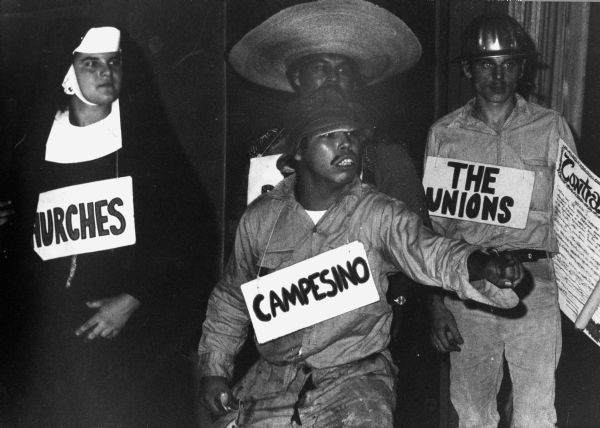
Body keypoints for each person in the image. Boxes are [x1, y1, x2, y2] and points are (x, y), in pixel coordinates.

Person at [195, 86, 525, 427]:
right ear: (297, 153)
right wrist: (213, 370)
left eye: (352, 134)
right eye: (329, 134)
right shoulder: (261, 220)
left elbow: (430, 252)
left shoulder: (378, 214)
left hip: (356, 378)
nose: (346, 143)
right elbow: (232, 300)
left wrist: (482, 264)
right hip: (276, 379)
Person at [3, 26, 216, 427]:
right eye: (91, 63)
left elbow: (191, 231)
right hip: (59, 344)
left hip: (135, 336)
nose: (106, 72)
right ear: (68, 75)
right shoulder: (33, 146)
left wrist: (133, 298)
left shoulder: (149, 142)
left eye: (114, 63)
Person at [229, 0, 430, 348]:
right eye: (320, 67)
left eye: (343, 70)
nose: (332, 79)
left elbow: (416, 237)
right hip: (283, 318)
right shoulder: (265, 148)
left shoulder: (384, 151)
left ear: (357, 82)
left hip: (356, 325)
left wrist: (398, 301)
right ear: (296, 77)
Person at [425, 14, 577, 428]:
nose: (498, 75)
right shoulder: (444, 134)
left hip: (536, 286)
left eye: (508, 64)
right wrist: (437, 303)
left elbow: (576, 217)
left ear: (521, 68)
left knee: (535, 413)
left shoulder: (550, 127)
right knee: (472, 412)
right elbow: (434, 233)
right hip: (469, 286)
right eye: (486, 64)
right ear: (468, 69)